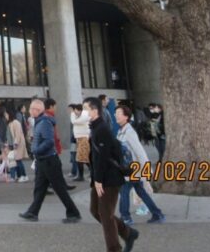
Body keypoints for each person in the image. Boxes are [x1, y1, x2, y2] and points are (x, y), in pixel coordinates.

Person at [84, 96, 138, 252]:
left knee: (105, 215)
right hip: (99, 177)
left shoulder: (102, 129)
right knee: (95, 211)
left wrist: (99, 179)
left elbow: (103, 157)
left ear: (94, 110)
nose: (83, 112)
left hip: (109, 179)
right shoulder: (95, 127)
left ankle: (114, 249)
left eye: (86, 109)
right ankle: (128, 233)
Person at [19, 99, 81, 223]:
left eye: (32, 108)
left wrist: (36, 149)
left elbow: (49, 141)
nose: (30, 110)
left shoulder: (44, 122)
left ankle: (73, 213)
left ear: (38, 110)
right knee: (39, 188)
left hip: (49, 160)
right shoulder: (40, 122)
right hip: (43, 160)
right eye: (30, 108)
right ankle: (33, 212)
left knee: (59, 188)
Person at [115, 105, 165, 225]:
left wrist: (147, 169)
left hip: (133, 169)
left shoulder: (129, 132)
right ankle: (157, 214)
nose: (115, 115)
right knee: (140, 191)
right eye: (115, 113)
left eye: (118, 113)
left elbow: (140, 151)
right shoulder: (121, 131)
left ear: (126, 117)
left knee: (124, 191)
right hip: (128, 169)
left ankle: (125, 217)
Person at [6, 108, 29, 182]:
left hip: (18, 144)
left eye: (6, 114)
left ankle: (24, 176)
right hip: (15, 144)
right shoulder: (11, 123)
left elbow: (18, 134)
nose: (5, 116)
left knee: (18, 160)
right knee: (17, 161)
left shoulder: (15, 122)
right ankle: (20, 176)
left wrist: (15, 143)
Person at [71, 104, 90, 182]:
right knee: (83, 158)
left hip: (84, 138)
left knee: (80, 158)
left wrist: (73, 115)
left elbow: (74, 121)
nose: (75, 113)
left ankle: (81, 176)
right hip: (79, 138)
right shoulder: (78, 115)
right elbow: (74, 121)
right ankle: (87, 173)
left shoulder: (85, 115)